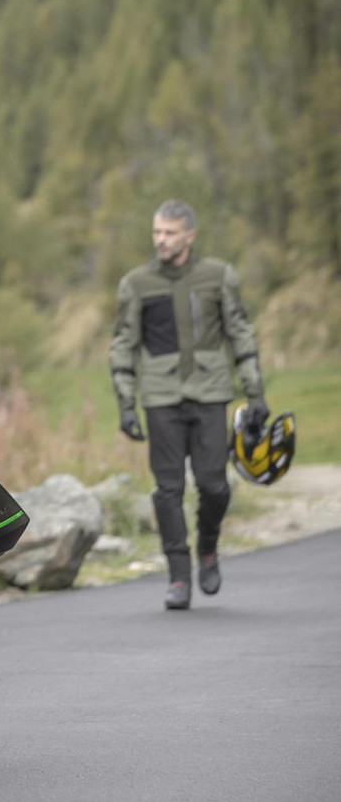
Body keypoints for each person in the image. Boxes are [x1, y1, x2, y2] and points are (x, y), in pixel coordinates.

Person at [109, 200, 268, 610]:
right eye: (156, 232)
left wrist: (255, 394)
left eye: (169, 232)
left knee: (214, 485)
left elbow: (240, 333)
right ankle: (179, 575)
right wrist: (126, 404)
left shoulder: (218, 276)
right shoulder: (136, 284)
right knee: (168, 489)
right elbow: (123, 344)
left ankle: (208, 548)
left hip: (210, 393)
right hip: (161, 398)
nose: (160, 240)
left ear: (189, 236)